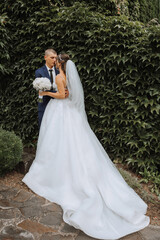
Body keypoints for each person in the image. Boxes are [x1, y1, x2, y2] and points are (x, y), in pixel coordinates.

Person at [23, 53, 150, 240]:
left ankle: (54, 173)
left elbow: (60, 95)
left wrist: (45, 93)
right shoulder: (68, 77)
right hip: (71, 113)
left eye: (56, 60)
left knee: (57, 143)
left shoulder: (59, 77)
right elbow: (69, 94)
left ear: (59, 64)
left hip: (59, 111)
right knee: (77, 143)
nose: (54, 61)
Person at [35, 49, 59, 127]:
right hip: (44, 103)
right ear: (45, 57)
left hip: (58, 103)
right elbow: (39, 89)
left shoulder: (59, 71)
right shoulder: (39, 72)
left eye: (56, 58)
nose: (54, 60)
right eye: (52, 58)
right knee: (44, 126)